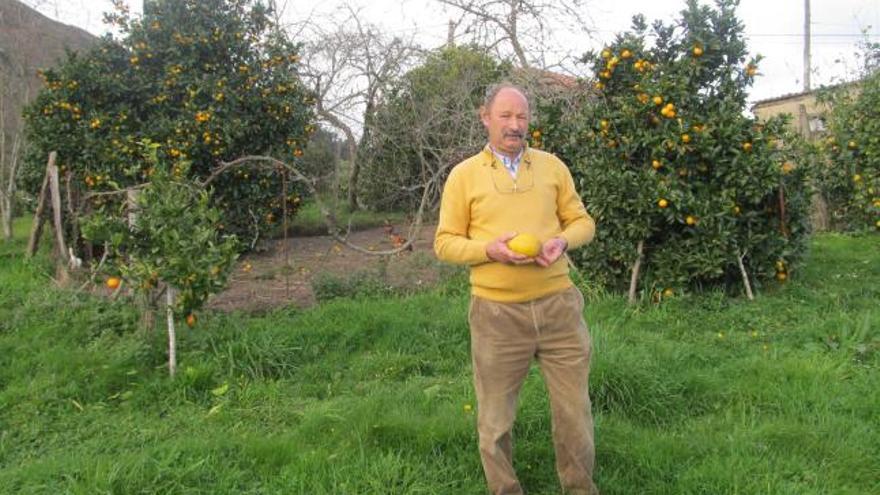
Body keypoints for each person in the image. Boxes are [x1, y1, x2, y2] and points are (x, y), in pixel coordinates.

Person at [434, 82, 598, 495]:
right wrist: (489, 250)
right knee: (495, 418)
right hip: (496, 313)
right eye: (505, 116)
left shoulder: (552, 167)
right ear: (485, 117)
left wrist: (563, 240)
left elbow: (582, 222)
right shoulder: (464, 176)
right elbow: (445, 242)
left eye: (521, 116)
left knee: (574, 410)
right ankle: (504, 489)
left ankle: (580, 488)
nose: (514, 125)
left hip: (559, 307)